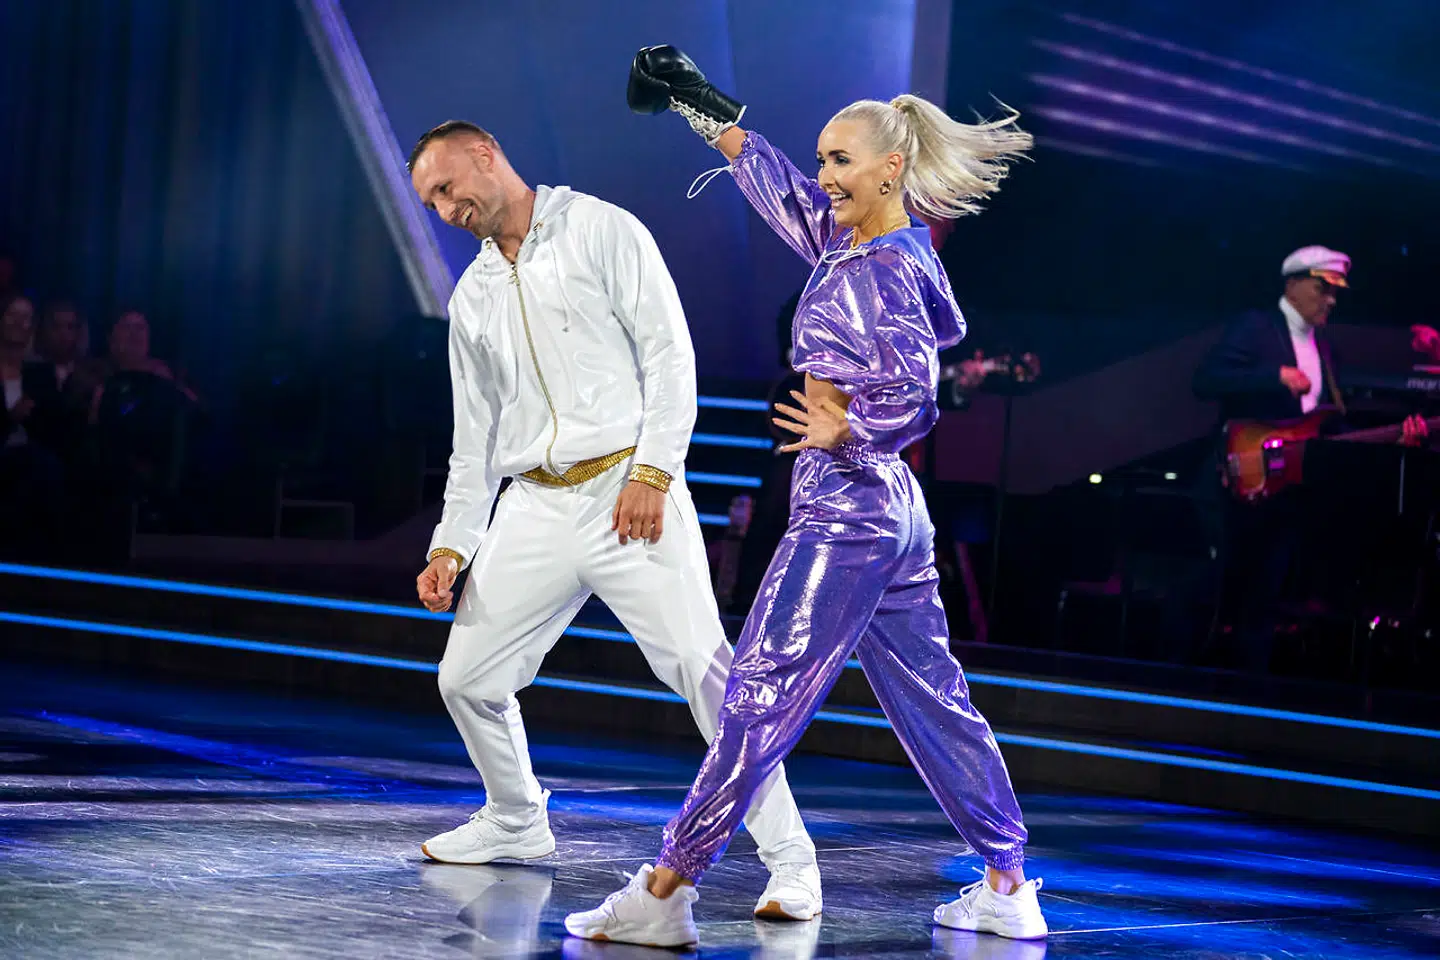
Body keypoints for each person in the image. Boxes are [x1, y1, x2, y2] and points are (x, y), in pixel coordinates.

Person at [565, 46, 1047, 947]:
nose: (824, 175)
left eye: (840, 161)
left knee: (759, 692)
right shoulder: (854, 242)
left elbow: (914, 392)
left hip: (850, 508)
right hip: (887, 512)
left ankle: (667, 887)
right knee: (934, 699)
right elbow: (776, 183)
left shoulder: (884, 269)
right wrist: (698, 103)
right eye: (825, 158)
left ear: (890, 169)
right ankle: (1009, 882)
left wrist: (850, 432)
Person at [405, 120, 820, 918]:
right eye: (431, 203)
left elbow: (670, 355)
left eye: (449, 187)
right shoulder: (473, 296)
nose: (445, 208)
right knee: (466, 678)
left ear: (487, 153)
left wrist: (655, 471)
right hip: (533, 504)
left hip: (630, 491)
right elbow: (474, 435)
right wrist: (453, 545)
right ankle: (518, 818)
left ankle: (792, 861)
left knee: (708, 674)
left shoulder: (601, 228)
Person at [1193, 247, 1428, 672]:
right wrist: (1273, 376)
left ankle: (1250, 698)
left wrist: (1394, 437)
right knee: (1219, 590)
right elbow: (1206, 380)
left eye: (1335, 293)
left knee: (1266, 598)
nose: (1331, 301)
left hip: (1285, 493)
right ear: (1293, 284)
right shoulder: (1256, 327)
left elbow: (1326, 430)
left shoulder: (1326, 352)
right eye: (1322, 289)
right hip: (1238, 483)